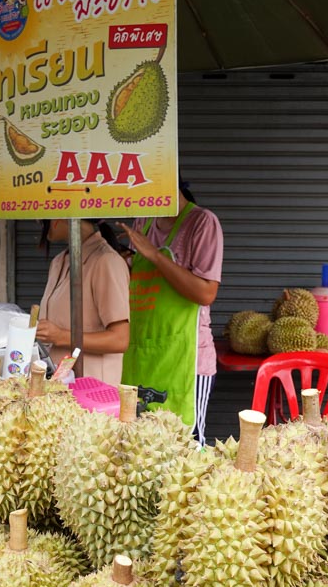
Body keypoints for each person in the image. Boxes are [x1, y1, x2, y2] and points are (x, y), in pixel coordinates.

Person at [118, 181, 223, 442]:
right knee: (138, 445)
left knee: (184, 446)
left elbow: (206, 293)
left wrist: (154, 255)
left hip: (186, 359)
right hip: (143, 354)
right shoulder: (143, 220)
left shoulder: (202, 222)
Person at [35, 218, 131, 384]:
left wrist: (61, 336)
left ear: (58, 219)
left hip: (94, 390)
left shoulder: (107, 261)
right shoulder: (59, 262)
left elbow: (120, 339)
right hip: (61, 386)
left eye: (41, 221)